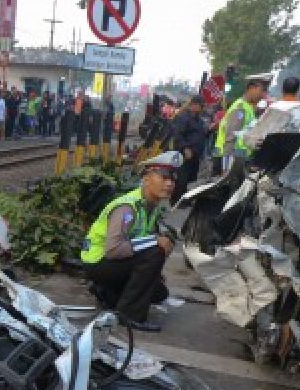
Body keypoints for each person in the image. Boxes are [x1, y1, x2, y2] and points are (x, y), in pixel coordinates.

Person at [80, 151, 181, 332]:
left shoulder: (151, 206)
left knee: (159, 293)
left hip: (115, 263)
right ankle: (128, 316)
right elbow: (114, 249)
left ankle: (108, 294)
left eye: (173, 179)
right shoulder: (128, 207)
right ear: (147, 178)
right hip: (98, 262)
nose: (169, 184)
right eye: (164, 177)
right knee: (155, 251)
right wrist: (154, 241)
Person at [216, 76, 269, 170]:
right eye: (261, 91)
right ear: (252, 88)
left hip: (239, 158)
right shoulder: (240, 108)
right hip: (231, 158)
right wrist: (226, 170)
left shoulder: (248, 108)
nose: (262, 96)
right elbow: (230, 135)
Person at [169, 96, 207, 200]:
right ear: (193, 105)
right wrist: (185, 148)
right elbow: (178, 134)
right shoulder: (184, 117)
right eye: (201, 106)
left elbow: (199, 134)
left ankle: (185, 199)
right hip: (185, 153)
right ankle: (176, 200)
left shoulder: (198, 119)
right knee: (182, 178)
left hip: (195, 154)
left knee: (191, 178)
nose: (203, 108)